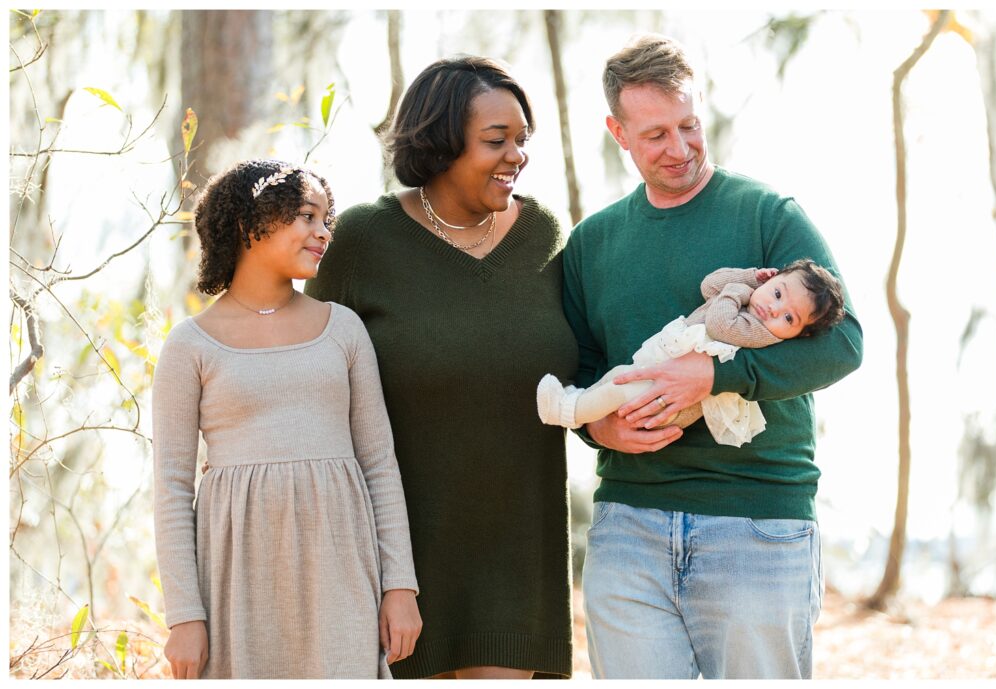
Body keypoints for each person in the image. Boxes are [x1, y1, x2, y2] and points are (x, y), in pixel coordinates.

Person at [562, 35, 864, 679]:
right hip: (628, 530)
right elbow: (582, 370)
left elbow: (844, 343)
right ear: (617, 131)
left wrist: (718, 374)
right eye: (655, 135)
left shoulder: (767, 214)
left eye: (689, 126)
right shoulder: (592, 243)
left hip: (756, 525)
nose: (680, 148)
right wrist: (597, 425)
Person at [304, 57, 578, 679]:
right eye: (495, 141)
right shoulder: (362, 241)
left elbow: (584, 369)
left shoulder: (544, 235)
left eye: (522, 141)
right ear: (439, 142)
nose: (516, 155)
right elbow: (308, 381)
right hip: (398, 563)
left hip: (518, 553)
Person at [153, 159, 421, 679]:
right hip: (234, 574)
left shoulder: (343, 330)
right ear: (249, 223)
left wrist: (400, 587)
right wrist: (184, 615)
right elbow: (170, 485)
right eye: (307, 216)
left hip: (340, 566)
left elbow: (379, 465)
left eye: (327, 220)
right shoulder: (189, 345)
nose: (323, 233)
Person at [538, 260, 845, 447]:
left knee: (621, 388)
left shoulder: (760, 332)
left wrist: (741, 291)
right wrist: (751, 277)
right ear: (772, 278)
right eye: (777, 292)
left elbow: (721, 323)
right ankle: (580, 401)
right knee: (619, 378)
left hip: (672, 403)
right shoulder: (751, 297)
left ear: (799, 334)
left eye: (789, 318)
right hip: (663, 375)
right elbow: (710, 285)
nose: (774, 309)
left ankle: (566, 411)